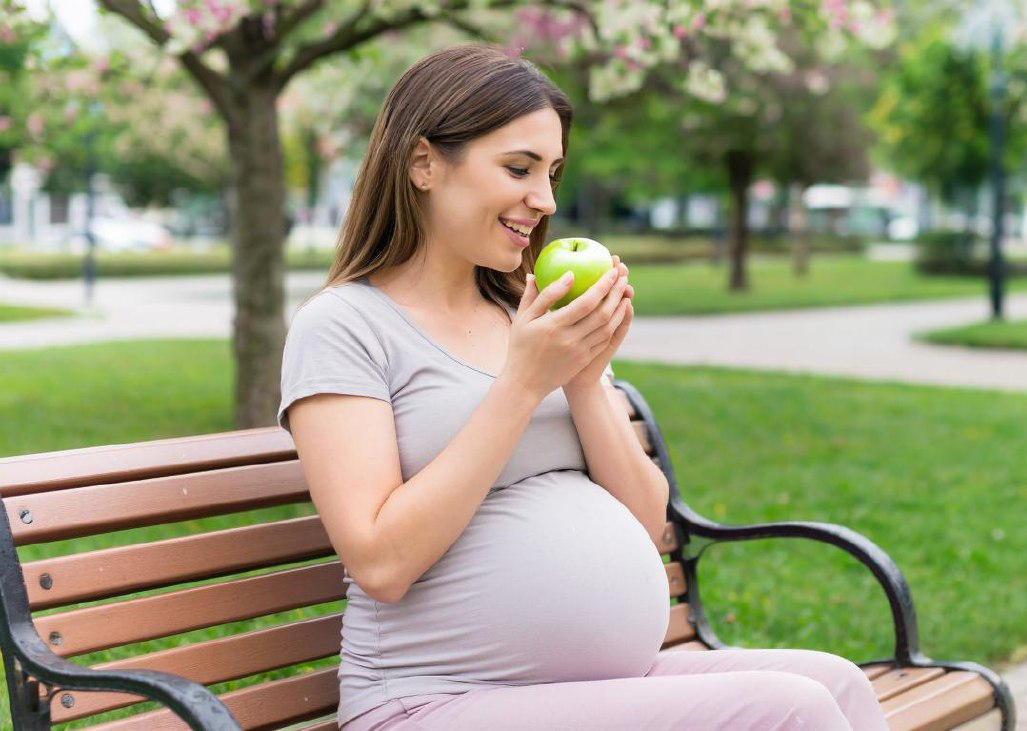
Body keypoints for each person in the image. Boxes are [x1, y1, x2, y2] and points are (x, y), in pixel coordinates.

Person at [279, 43, 888, 731]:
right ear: (424, 163)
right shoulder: (344, 325)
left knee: (834, 684)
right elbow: (382, 561)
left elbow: (645, 519)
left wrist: (585, 380)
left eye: (553, 173)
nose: (544, 201)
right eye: (519, 168)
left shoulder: (527, 311)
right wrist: (520, 384)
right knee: (792, 710)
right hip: (430, 700)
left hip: (583, 686)